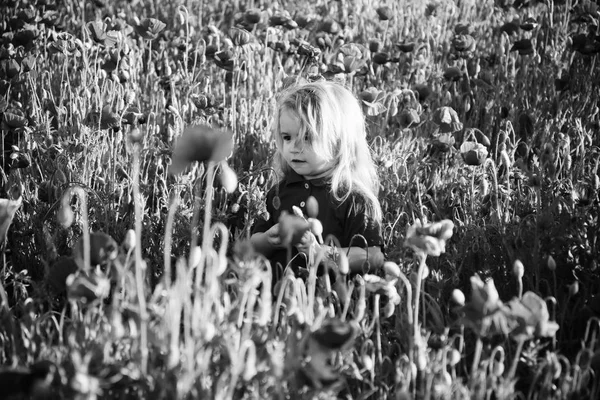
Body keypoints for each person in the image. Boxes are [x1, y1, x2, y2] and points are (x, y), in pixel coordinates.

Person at [250, 79, 384, 282]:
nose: (294, 147)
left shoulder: (352, 198)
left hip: (330, 299)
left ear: (339, 141)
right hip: (275, 299)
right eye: (287, 137)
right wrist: (269, 238)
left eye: (307, 138)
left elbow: (374, 256)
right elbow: (254, 244)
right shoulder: (278, 193)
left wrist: (322, 252)